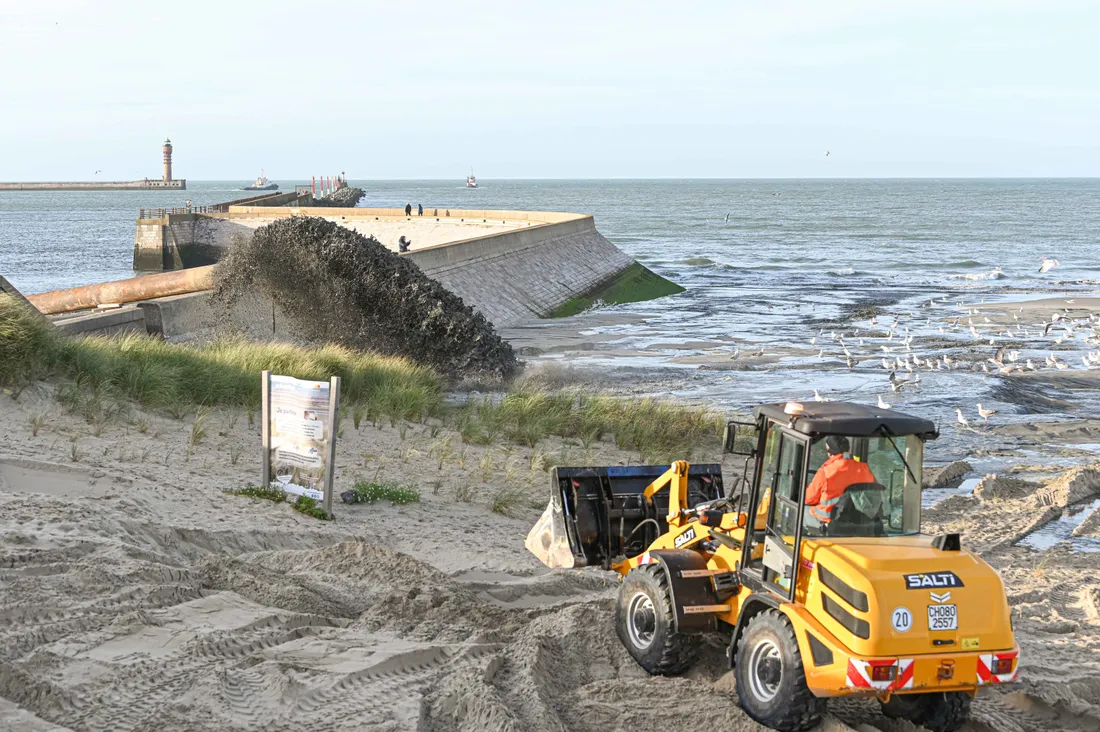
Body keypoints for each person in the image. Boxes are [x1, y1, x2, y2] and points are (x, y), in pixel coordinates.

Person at [805, 435, 875, 525]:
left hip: (830, 520)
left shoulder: (825, 472)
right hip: (858, 519)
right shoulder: (864, 468)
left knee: (804, 511)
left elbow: (808, 499)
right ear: (849, 450)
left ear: (830, 453)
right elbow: (875, 494)